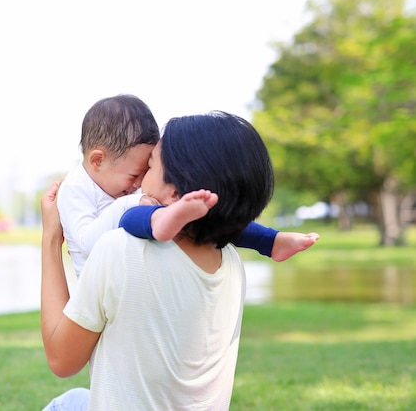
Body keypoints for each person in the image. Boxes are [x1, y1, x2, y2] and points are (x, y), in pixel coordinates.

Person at [41, 111, 277, 409]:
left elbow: (61, 360)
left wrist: (51, 238)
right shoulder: (229, 261)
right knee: (73, 401)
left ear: (175, 191)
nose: (139, 184)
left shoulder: (122, 250)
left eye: (149, 167)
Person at [58, 94, 318, 278]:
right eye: (136, 174)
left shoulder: (121, 183)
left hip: (136, 271)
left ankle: (269, 241)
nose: (139, 183)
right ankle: (162, 220)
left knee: (209, 218)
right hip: (98, 286)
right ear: (97, 160)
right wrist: (129, 204)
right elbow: (86, 243)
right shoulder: (75, 189)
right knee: (138, 216)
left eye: (149, 168)